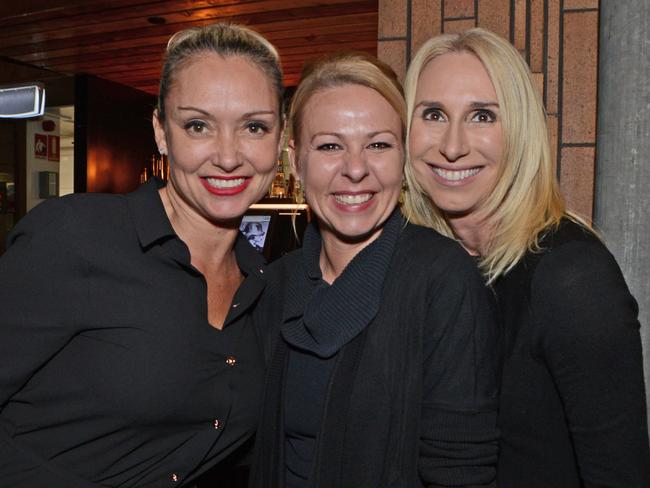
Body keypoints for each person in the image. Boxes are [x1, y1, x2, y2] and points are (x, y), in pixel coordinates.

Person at [0, 23, 284, 487]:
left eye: (254, 127)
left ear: (279, 139)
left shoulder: (264, 285)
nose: (229, 156)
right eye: (198, 125)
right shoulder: (77, 235)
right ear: (161, 132)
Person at [403, 27, 650, 488]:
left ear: (519, 130)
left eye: (482, 116)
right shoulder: (432, 267)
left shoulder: (572, 279)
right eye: (433, 113)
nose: (453, 145)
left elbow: (620, 474)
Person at [250, 52, 499, 488]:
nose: (356, 168)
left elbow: (461, 471)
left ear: (402, 158)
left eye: (378, 144)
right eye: (329, 145)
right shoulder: (275, 285)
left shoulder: (441, 279)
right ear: (295, 159)